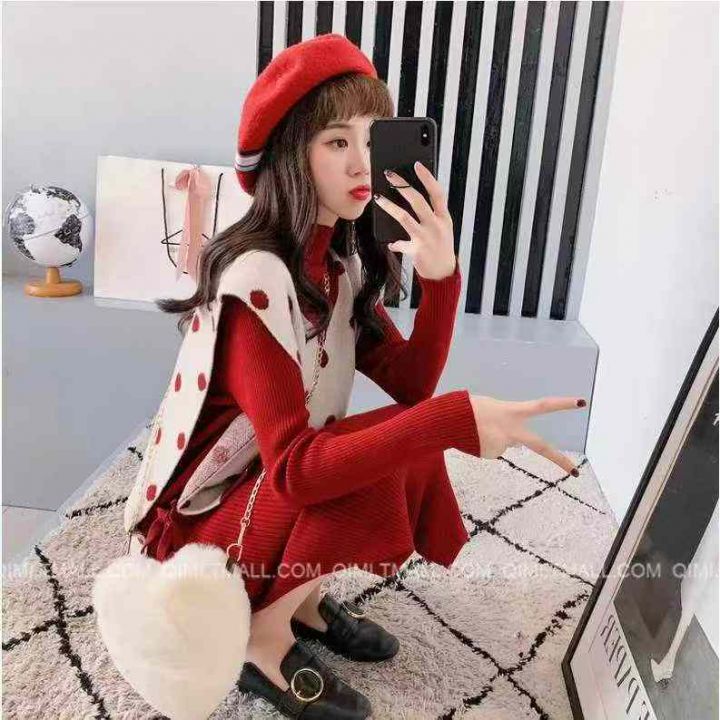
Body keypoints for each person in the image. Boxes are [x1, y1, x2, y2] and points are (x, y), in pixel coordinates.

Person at [134, 33, 586, 719]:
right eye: (337, 141)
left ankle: (302, 599)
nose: (362, 163)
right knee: (370, 451)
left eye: (373, 140)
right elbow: (295, 473)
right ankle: (260, 642)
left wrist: (441, 279)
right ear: (292, 154)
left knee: (397, 437)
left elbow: (410, 385)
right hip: (193, 532)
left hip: (256, 497)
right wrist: (455, 419)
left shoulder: (334, 270)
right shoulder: (257, 281)